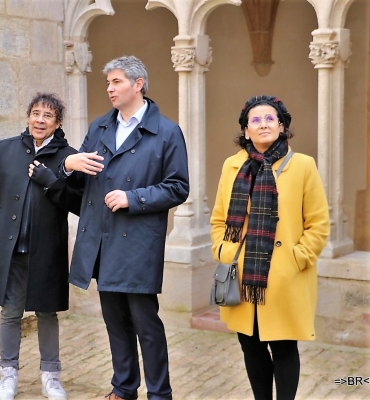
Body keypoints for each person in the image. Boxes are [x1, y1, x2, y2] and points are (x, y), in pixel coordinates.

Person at [62, 56, 189, 400]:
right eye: (108, 83)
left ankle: (160, 394)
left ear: (138, 84)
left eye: (116, 81)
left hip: (137, 242)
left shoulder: (166, 131)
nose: (110, 89)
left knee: (146, 325)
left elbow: (178, 186)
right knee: (115, 322)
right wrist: (68, 163)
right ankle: (123, 389)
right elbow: (80, 178)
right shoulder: (100, 127)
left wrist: (134, 197)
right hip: (102, 239)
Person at [210, 95, 330, 400]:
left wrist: (297, 259)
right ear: (246, 130)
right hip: (243, 274)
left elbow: (318, 224)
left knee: (284, 347)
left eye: (270, 119)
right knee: (251, 345)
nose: (263, 124)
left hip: (285, 278)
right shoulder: (232, 166)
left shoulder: (302, 165)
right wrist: (224, 251)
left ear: (282, 126)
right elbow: (219, 219)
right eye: (255, 120)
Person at [0, 93, 82, 400]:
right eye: (36, 113)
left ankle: (51, 376)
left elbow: (78, 204)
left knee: (47, 313)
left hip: (47, 250)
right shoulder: (4, 149)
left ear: (58, 123)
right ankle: (7, 374)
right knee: (10, 313)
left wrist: (51, 179)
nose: (40, 120)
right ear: (28, 117)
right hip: (11, 251)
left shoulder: (69, 157)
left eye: (48, 116)